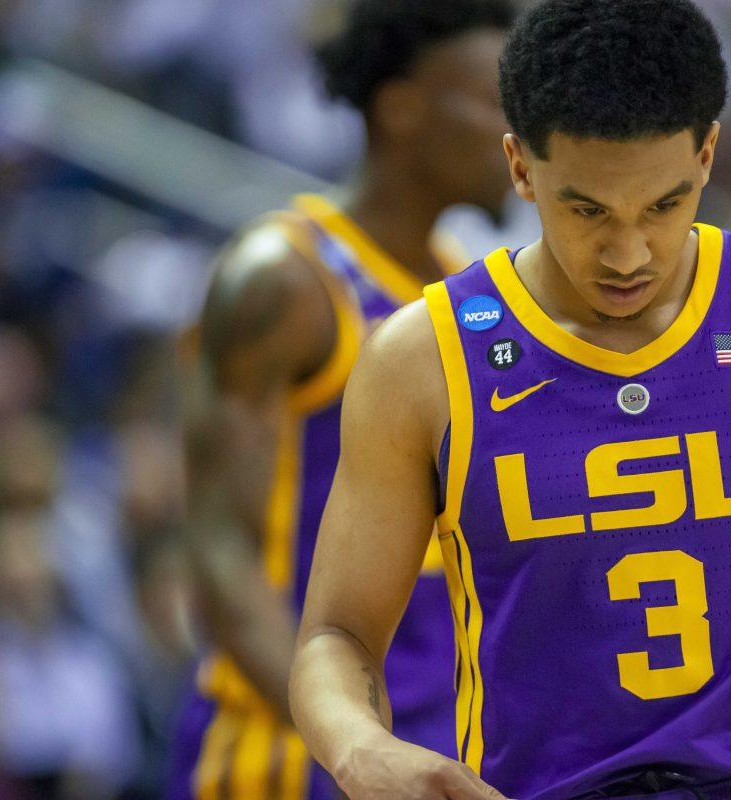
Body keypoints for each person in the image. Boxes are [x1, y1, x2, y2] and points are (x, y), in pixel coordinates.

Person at [289, 1, 731, 799]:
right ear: (521, 166)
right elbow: (336, 634)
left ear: (708, 154)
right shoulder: (422, 360)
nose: (628, 254)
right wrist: (359, 746)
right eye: (586, 209)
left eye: (663, 205)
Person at [168, 1, 515, 798]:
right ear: (402, 109)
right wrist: (351, 741)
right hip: (285, 753)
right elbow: (222, 558)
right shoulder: (284, 278)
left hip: (422, 732)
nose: (515, 139)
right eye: (493, 106)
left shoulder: (465, 289)